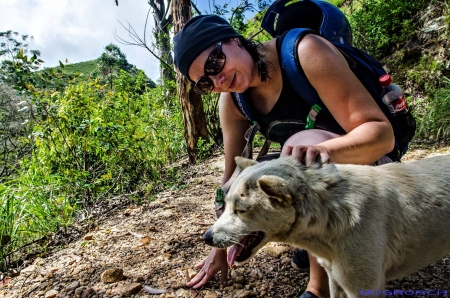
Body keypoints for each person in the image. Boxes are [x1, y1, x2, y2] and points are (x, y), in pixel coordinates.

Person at [173, 15, 395, 298]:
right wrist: (222, 243)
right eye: (205, 82)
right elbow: (229, 182)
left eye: (214, 63)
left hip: (371, 162)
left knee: (300, 150)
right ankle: (316, 240)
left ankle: (318, 288)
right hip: (322, 178)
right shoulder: (233, 102)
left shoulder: (305, 52)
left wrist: (322, 152)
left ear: (233, 39)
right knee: (252, 177)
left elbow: (382, 135)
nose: (218, 79)